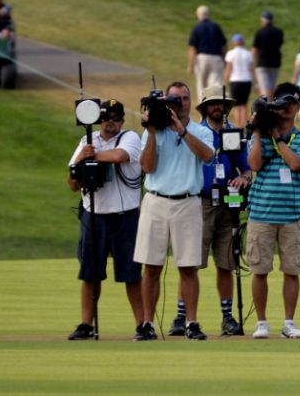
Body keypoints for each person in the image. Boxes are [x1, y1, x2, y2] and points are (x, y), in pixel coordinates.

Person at [167, 85, 252, 337]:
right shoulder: (195, 132)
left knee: (226, 264)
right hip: (200, 202)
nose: (218, 107)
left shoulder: (232, 134)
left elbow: (245, 167)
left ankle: (227, 317)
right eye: (213, 103)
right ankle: (182, 316)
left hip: (228, 202)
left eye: (222, 103)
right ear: (204, 108)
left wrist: (245, 178)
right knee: (190, 264)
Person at [133, 82, 215, 341]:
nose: (180, 103)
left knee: (188, 267)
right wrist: (154, 132)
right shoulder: (153, 130)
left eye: (184, 98)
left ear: (191, 102)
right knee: (151, 266)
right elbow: (147, 167)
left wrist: (181, 131)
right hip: (156, 200)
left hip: (188, 201)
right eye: (174, 99)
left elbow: (207, 156)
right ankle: (147, 323)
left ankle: (191, 322)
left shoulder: (201, 131)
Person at [66, 99, 144, 340]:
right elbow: (71, 181)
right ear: (100, 119)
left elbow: (120, 156)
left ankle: (142, 324)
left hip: (124, 215)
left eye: (116, 118)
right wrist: (82, 160)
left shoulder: (130, 137)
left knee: (131, 274)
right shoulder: (86, 141)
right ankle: (86, 324)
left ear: (122, 120)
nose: (111, 122)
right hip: (94, 214)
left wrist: (95, 156)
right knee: (90, 273)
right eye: (107, 117)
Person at [246, 82, 300, 339]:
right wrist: (256, 132)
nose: (286, 108)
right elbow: (253, 164)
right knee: (259, 269)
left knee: (292, 270)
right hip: (261, 211)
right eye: (281, 103)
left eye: (291, 104)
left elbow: (297, 163)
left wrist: (276, 139)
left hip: (291, 214)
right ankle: (261, 322)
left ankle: (289, 322)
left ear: (298, 107)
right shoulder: (261, 134)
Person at [188, 5, 227, 102]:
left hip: (202, 58)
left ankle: (203, 109)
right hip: (216, 58)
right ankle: (215, 106)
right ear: (208, 14)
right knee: (215, 84)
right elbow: (223, 46)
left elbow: (193, 48)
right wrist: (224, 59)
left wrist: (191, 65)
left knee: (201, 84)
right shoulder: (216, 27)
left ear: (198, 15)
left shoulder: (197, 28)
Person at [223, 33, 255, 128]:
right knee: (244, 104)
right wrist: (255, 82)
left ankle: (238, 125)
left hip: (235, 80)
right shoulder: (248, 54)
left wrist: (225, 81)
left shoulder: (230, 53)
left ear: (234, 42)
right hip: (246, 80)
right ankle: (244, 124)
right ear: (243, 42)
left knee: (236, 105)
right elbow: (251, 69)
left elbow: (228, 69)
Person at [251, 10, 284, 98]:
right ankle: (272, 105)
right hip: (275, 63)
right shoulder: (279, 32)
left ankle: (267, 107)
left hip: (262, 63)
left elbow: (255, 49)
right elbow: (280, 46)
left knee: (264, 87)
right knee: (272, 86)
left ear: (262, 20)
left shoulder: (259, 32)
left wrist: (251, 60)